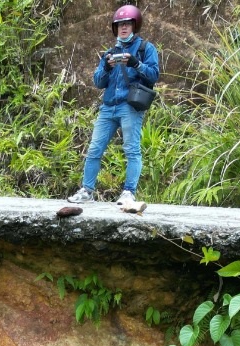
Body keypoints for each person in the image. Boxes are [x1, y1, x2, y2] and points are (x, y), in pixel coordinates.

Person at [67, 5, 160, 205]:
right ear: (115, 29)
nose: (123, 28)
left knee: (131, 150)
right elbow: (98, 82)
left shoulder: (146, 49)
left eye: (127, 24)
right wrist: (107, 68)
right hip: (108, 107)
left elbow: (154, 75)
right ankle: (87, 190)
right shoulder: (109, 52)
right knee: (94, 149)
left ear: (135, 25)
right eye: (119, 25)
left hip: (131, 106)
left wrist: (135, 63)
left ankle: (128, 193)